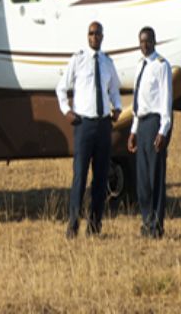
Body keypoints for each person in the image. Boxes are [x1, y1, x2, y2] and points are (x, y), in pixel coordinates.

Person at [56, 20, 122, 237]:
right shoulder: (78, 60)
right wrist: (66, 110)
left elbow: (114, 88)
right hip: (84, 125)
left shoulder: (106, 62)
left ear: (102, 36)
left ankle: (94, 226)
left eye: (97, 33)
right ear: (87, 36)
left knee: (101, 177)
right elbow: (61, 88)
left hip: (103, 125)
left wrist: (117, 107)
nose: (94, 37)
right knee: (80, 176)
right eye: (91, 33)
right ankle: (73, 224)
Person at [127, 26, 173, 238]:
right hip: (142, 123)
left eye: (148, 41)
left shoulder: (161, 66)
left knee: (156, 177)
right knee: (142, 179)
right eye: (141, 41)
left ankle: (157, 225)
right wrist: (133, 130)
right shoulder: (140, 65)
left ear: (154, 41)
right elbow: (138, 102)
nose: (144, 45)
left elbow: (166, 101)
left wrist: (163, 131)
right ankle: (146, 221)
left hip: (155, 123)